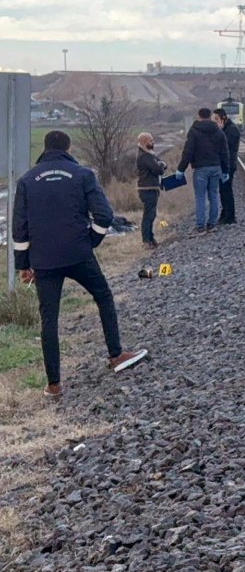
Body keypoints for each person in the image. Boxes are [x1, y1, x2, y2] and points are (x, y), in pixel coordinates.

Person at [12, 130, 149, 399]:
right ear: (68, 148)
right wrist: (91, 241)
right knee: (103, 297)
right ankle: (116, 354)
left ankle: (54, 385)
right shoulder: (83, 175)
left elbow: (20, 228)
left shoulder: (27, 181)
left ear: (45, 149)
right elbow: (105, 215)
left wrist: (24, 265)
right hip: (78, 254)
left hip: (44, 261)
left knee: (48, 320)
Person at [175, 108, 229, 234]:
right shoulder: (219, 131)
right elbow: (225, 152)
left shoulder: (194, 131)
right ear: (210, 116)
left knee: (200, 197)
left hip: (200, 169)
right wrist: (225, 170)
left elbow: (188, 152)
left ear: (198, 116)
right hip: (216, 168)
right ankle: (212, 224)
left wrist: (180, 169)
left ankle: (200, 226)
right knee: (214, 196)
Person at [135, 132, 166, 249]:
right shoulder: (144, 156)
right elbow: (158, 169)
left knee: (152, 215)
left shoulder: (149, 155)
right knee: (148, 215)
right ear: (144, 142)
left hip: (151, 188)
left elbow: (159, 164)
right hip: (147, 189)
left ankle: (151, 238)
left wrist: (161, 164)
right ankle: (146, 241)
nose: (153, 143)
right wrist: (161, 165)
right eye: (150, 141)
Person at [213, 108, 241, 225]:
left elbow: (225, 147)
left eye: (216, 119)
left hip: (228, 165)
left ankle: (230, 216)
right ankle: (225, 214)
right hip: (224, 164)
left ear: (223, 118)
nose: (214, 122)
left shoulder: (231, 130)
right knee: (223, 190)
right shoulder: (226, 129)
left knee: (227, 190)